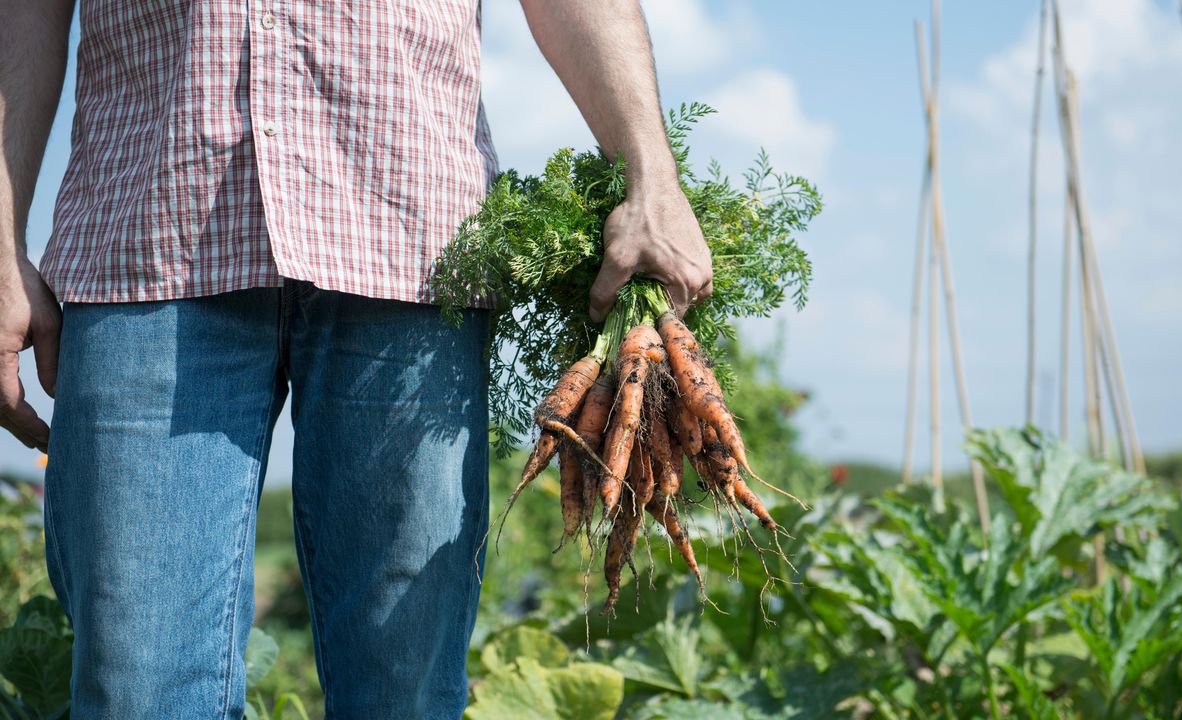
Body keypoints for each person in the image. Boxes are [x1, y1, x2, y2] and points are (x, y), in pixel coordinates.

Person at [0, 0, 712, 716]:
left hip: (412, 243)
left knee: (404, 692)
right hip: (149, 231)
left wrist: (653, 176)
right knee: (136, 693)